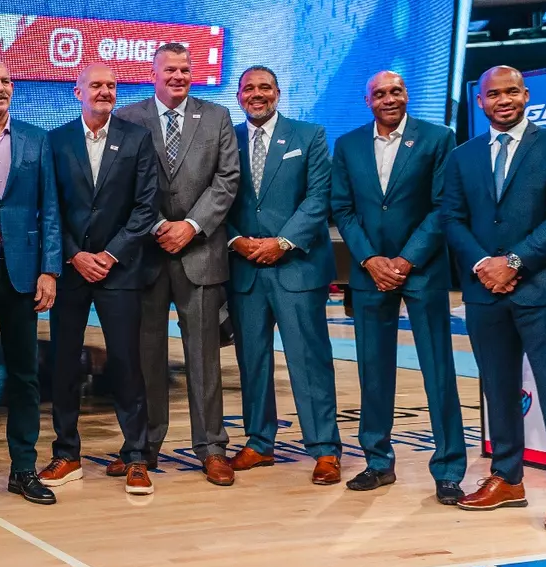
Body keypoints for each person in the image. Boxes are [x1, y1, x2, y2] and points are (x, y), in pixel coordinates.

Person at [441, 65, 546, 530]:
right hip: (485, 290)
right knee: (498, 388)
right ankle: (507, 478)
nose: (502, 100)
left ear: (525, 95)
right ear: (479, 101)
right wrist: (485, 266)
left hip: (544, 287)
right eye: (493, 94)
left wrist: (514, 263)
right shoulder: (462, 156)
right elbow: (452, 218)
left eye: (511, 92)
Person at [331, 71, 465, 502]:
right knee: (373, 371)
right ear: (367, 101)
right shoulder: (348, 144)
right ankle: (377, 462)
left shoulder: (437, 137)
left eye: (396, 91)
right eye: (379, 94)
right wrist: (370, 259)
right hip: (369, 272)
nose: (388, 99)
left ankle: (449, 469)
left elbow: (444, 205)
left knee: (438, 370)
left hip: (422, 269)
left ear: (406, 95)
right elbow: (342, 209)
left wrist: (406, 260)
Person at [116, 43, 240, 486]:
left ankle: (212, 448)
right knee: (147, 358)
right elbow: (122, 184)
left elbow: (227, 179)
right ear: (153, 74)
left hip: (200, 253)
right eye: (169, 69)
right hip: (146, 257)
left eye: (185, 69)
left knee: (204, 359)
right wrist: (154, 227)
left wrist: (190, 226)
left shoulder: (217, 116)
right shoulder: (128, 118)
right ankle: (144, 448)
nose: (178, 76)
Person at [38, 64, 160, 495]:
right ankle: (67, 453)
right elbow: (49, 206)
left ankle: (136, 456)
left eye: (111, 85)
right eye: (96, 85)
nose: (105, 91)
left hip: (119, 270)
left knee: (127, 363)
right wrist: (74, 255)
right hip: (72, 271)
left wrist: (109, 255)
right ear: (78, 92)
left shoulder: (137, 138)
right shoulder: (56, 141)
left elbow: (146, 208)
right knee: (64, 365)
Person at [226, 66, 341, 484]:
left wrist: (283, 242)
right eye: (249, 88)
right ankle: (259, 442)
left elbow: (319, 197)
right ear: (239, 96)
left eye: (265, 87)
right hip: (244, 268)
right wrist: (235, 239)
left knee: (309, 360)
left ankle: (325, 449)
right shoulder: (227, 139)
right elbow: (215, 197)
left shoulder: (308, 135)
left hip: (296, 267)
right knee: (252, 361)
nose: (257, 94)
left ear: (277, 92)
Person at [0, 59, 61, 505]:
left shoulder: (37, 139)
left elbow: (51, 209)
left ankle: (23, 468)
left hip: (23, 274)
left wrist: (50, 270)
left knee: (25, 377)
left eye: (6, 81)